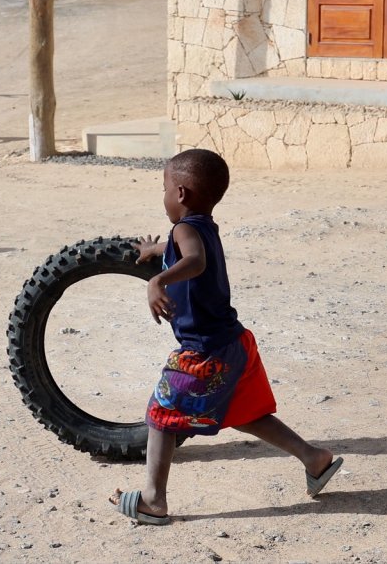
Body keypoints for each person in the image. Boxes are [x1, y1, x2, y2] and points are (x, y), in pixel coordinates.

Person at [110, 149, 342, 525]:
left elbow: (195, 261)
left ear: (181, 193)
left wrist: (157, 279)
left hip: (202, 352)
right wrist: (156, 251)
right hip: (234, 344)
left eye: (164, 187)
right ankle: (314, 457)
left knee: (160, 413)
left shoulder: (184, 230)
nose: (164, 195)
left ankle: (154, 500)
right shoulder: (201, 226)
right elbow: (189, 254)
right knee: (246, 414)